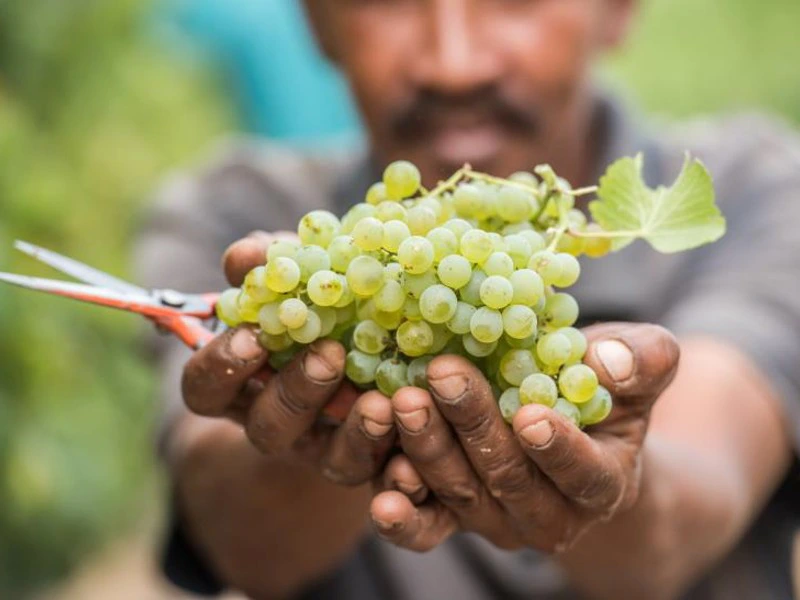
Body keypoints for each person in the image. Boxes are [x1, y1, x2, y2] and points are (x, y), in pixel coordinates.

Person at [135, 1, 800, 598]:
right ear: (314, 22)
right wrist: (303, 438)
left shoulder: (761, 193)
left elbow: (688, 512)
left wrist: (613, 491)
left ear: (619, 9)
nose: (453, 65)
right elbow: (241, 544)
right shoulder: (235, 220)